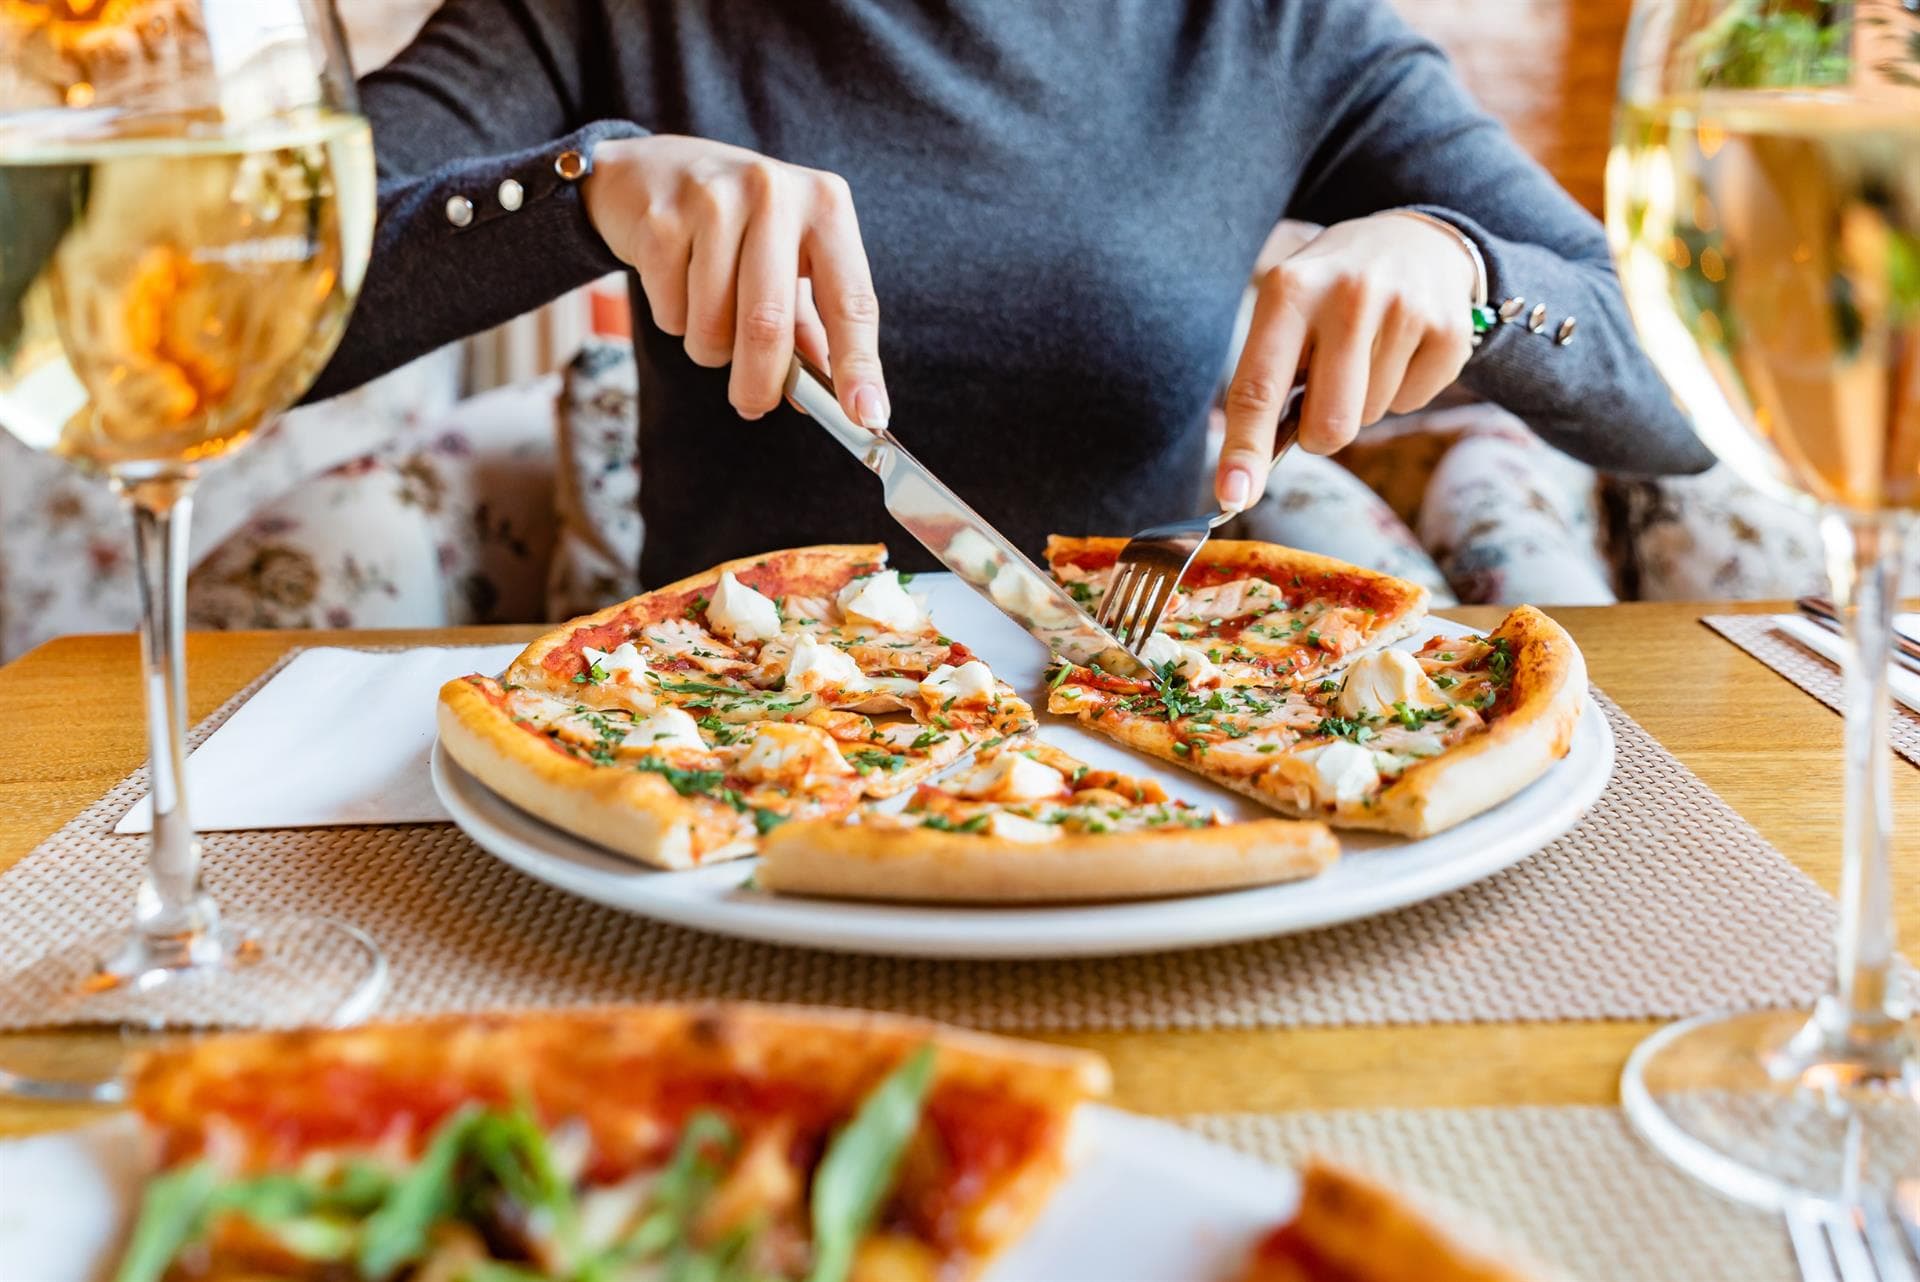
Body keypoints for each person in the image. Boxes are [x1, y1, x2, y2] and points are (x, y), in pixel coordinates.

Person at [310, 0, 1711, 586]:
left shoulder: (1277, 27)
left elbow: (1683, 384)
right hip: (720, 756)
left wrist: (1468, 275)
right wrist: (583, 184)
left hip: (1149, 754)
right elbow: (264, 286)